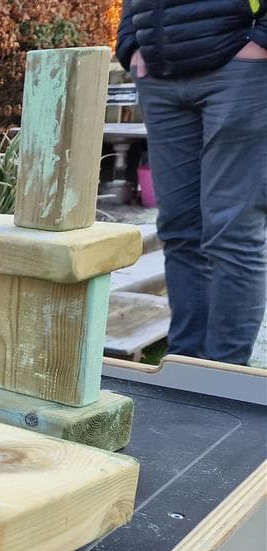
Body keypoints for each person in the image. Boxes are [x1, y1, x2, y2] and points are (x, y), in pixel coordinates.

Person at [117, 0, 267, 365]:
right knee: (179, 228)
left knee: (233, 230)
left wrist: (260, 40)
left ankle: (222, 375)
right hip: (161, 74)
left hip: (237, 66)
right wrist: (131, 44)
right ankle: (185, 367)